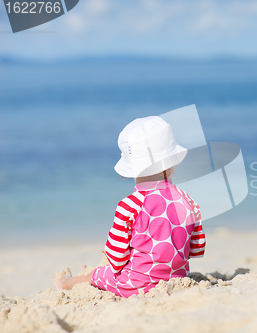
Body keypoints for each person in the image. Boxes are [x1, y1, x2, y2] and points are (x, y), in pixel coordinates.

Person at [53, 116, 205, 298]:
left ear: (131, 167)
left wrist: (111, 252)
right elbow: (196, 249)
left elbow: (117, 260)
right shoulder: (188, 201)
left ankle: (65, 282)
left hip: (136, 285)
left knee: (96, 275)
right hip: (177, 277)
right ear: (172, 161)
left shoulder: (130, 205)